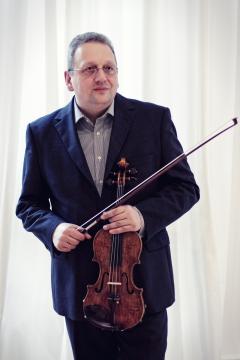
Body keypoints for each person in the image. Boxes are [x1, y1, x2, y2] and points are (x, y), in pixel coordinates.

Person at [16, 32, 200, 360]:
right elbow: (28, 205)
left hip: (142, 284)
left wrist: (142, 216)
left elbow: (186, 189)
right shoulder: (41, 132)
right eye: (89, 69)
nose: (102, 77)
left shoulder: (153, 120)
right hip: (81, 287)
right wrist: (54, 230)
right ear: (68, 79)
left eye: (109, 68)